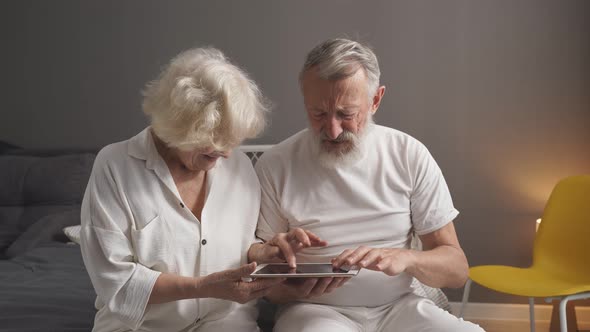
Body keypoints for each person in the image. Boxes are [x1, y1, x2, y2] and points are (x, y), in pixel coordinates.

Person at [247, 38, 484, 331]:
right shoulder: (275, 164)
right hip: (314, 311)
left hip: (399, 307)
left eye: (346, 114)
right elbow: (260, 278)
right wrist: (288, 288)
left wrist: (406, 258)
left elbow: (457, 270)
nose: (332, 131)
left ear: (375, 100)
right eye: (318, 113)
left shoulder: (408, 154)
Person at [80, 47, 284, 332]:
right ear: (179, 126)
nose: (226, 155)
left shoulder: (240, 167)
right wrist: (203, 287)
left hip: (226, 322)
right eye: (214, 144)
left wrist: (265, 253)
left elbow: (241, 247)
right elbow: (117, 282)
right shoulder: (115, 167)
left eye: (231, 142)